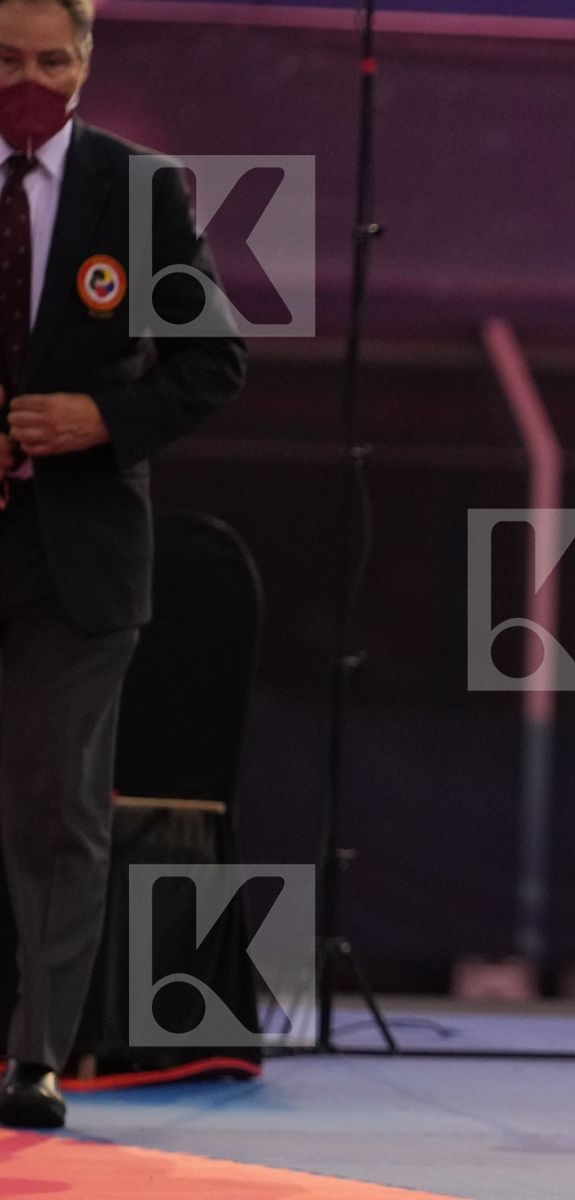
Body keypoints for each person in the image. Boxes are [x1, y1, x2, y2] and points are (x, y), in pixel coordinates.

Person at [0, 0, 246, 1128]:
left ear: (88, 64)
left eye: (54, 60)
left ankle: (34, 1055)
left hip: (77, 558)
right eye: (8, 60)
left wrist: (98, 416)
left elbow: (210, 362)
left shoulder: (140, 191)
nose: (32, 81)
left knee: (55, 799)